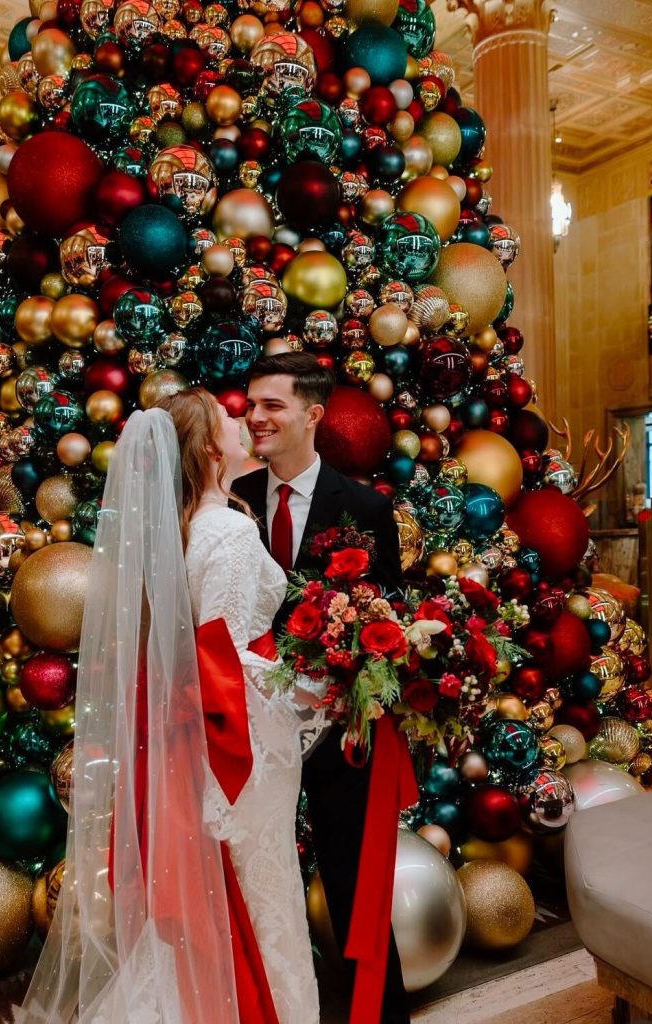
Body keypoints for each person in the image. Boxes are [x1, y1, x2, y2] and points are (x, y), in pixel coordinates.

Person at [19, 390, 325, 1024]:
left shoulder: (179, 530)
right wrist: (317, 682)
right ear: (212, 449)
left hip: (200, 740)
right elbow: (227, 659)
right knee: (261, 897)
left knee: (222, 896)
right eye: (230, 420)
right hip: (241, 746)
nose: (244, 425)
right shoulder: (232, 531)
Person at [233, 351, 411, 1024]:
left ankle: (379, 1012)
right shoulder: (234, 501)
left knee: (352, 875)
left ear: (311, 414)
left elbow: (386, 615)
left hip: (338, 728)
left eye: (271, 405)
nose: (254, 417)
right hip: (249, 728)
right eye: (250, 405)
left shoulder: (364, 506)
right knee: (255, 874)